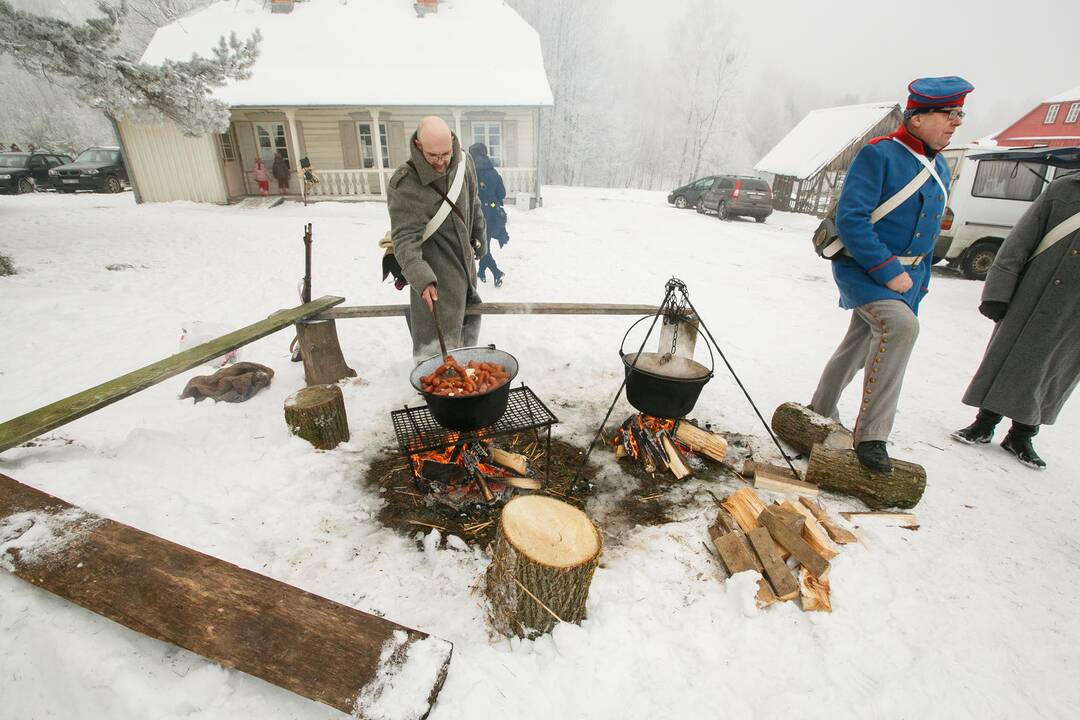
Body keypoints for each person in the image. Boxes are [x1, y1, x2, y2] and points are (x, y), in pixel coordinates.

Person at [807, 76, 973, 472]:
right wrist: (887, 270)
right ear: (916, 118)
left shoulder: (940, 166)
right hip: (864, 269)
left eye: (959, 114)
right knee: (900, 329)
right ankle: (873, 436)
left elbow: (928, 231)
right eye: (949, 114)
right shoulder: (879, 155)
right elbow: (852, 219)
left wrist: (918, 282)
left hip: (910, 278)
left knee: (860, 343)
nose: (957, 122)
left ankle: (818, 411)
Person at [951, 167, 1080, 469]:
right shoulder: (1064, 189)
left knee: (1053, 369)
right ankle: (984, 423)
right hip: (1035, 293)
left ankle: (1022, 434)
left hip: (1074, 309)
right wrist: (998, 291)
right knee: (1007, 358)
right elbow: (1020, 240)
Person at [388, 116, 486, 359]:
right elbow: (404, 239)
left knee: (467, 340)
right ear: (419, 146)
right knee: (435, 354)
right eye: (433, 156)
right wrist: (422, 280)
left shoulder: (464, 162)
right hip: (436, 280)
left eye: (445, 154)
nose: (441, 163)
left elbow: (473, 203)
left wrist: (480, 238)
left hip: (466, 270)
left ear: (452, 141)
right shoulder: (405, 183)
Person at [468, 142, 508, 287]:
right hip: (493, 217)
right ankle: (481, 272)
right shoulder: (494, 173)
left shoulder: (471, 174)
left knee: (481, 247)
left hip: (476, 217)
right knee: (484, 244)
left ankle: (496, 272)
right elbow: (502, 194)